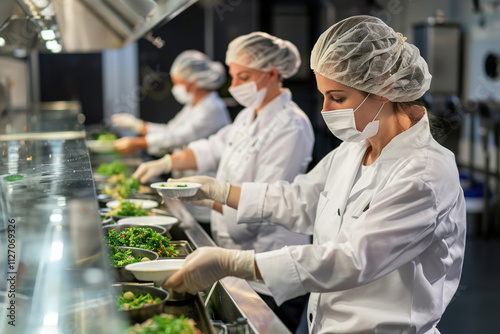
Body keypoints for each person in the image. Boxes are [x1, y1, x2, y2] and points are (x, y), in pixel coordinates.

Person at [164, 16, 467, 334]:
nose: (326, 109)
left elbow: (354, 259)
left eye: (337, 98)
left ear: (384, 88)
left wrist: (236, 263)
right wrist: (219, 191)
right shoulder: (354, 149)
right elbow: (301, 200)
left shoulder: (423, 174)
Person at [133, 32, 315, 332]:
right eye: (233, 76)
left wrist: (208, 198)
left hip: (268, 268)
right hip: (234, 254)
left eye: (244, 76)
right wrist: (166, 163)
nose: (235, 85)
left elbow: (264, 206)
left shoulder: (290, 126)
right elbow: (211, 147)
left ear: (272, 74)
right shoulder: (246, 117)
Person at [112, 50, 231, 157]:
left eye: (178, 83)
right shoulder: (193, 106)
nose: (175, 88)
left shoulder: (212, 109)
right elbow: (170, 131)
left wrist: (137, 143)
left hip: (205, 176)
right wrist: (137, 125)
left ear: (193, 83)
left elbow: (177, 137)